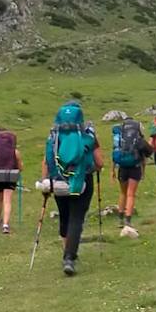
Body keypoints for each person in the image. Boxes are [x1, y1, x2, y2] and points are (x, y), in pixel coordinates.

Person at [41, 101, 104, 276]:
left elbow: (46, 160)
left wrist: (45, 181)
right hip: (82, 181)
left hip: (58, 182)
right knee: (76, 219)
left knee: (65, 216)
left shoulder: (54, 136)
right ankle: (69, 257)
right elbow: (100, 162)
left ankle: (66, 253)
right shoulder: (87, 134)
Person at [112, 116, 152, 236]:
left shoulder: (120, 136)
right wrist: (143, 172)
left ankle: (120, 217)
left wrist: (112, 171)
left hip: (122, 167)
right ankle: (128, 220)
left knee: (123, 193)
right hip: (135, 167)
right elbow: (144, 157)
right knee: (131, 194)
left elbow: (115, 152)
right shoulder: (138, 138)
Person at [0, 129, 22, 234]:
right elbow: (20, 167)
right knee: (7, 200)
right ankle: (5, 225)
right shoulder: (15, 152)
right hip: (10, 177)